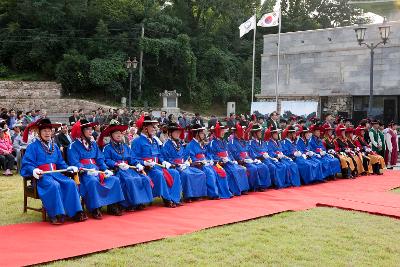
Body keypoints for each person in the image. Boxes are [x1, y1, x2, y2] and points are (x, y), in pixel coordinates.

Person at [20, 118, 86, 224]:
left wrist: (69, 167)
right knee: (54, 185)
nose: (47, 133)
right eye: (44, 131)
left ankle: (75, 212)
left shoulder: (54, 146)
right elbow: (27, 163)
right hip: (42, 177)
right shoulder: (32, 147)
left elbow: (60, 163)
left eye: (49, 131)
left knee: (71, 183)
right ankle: (56, 214)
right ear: (39, 132)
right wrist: (34, 170)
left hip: (56, 174)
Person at [68, 119, 125, 219]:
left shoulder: (93, 144)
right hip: (84, 174)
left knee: (114, 179)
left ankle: (112, 206)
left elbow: (99, 158)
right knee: (93, 181)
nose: (91, 131)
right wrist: (86, 170)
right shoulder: (73, 146)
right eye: (88, 129)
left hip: (97, 171)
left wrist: (105, 169)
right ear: (81, 131)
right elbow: (74, 162)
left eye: (91, 129)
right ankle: (95, 208)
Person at [100, 122, 153, 211]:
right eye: (116, 133)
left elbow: (132, 157)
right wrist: (117, 164)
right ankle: (129, 204)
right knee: (129, 180)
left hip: (129, 169)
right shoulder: (107, 148)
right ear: (111, 135)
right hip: (118, 170)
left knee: (143, 178)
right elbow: (106, 160)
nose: (119, 135)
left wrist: (137, 164)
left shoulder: (125, 146)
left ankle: (139, 202)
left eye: (120, 133)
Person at [131, 115, 182, 207]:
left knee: (175, 173)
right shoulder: (137, 141)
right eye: (152, 126)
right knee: (159, 175)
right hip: (147, 169)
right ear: (144, 128)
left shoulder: (154, 141)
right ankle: (167, 199)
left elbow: (159, 155)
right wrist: (144, 163)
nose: (154, 128)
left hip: (158, 166)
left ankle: (175, 198)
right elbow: (134, 158)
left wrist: (163, 161)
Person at [162, 122, 207, 202]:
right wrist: (176, 164)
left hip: (183, 165)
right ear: (170, 133)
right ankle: (188, 196)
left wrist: (186, 162)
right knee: (187, 174)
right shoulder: (166, 145)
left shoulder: (180, 144)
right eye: (176, 132)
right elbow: (165, 158)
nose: (178, 134)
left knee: (200, 173)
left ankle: (196, 195)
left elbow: (185, 156)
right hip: (175, 166)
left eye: (178, 132)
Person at [188, 122, 232, 199]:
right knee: (210, 173)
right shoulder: (190, 145)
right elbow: (191, 157)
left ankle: (225, 192)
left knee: (221, 170)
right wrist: (200, 161)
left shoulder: (201, 144)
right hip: (199, 165)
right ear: (196, 134)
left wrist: (210, 159)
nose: (203, 135)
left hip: (207, 163)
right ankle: (213, 194)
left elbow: (207, 154)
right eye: (201, 133)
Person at [208, 123, 249, 196]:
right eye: (221, 131)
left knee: (240, 169)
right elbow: (211, 155)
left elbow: (228, 153)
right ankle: (235, 190)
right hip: (221, 163)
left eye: (223, 130)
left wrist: (233, 160)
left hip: (228, 161)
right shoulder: (212, 143)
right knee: (231, 171)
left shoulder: (224, 141)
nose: (223, 132)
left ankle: (242, 189)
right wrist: (220, 159)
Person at [228, 123, 271, 191]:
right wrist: (243, 159)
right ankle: (254, 187)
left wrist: (254, 158)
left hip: (249, 159)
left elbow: (249, 151)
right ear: (236, 132)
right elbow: (235, 154)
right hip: (242, 161)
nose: (243, 132)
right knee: (253, 168)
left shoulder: (243, 141)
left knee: (263, 166)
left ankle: (264, 185)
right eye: (241, 131)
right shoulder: (232, 142)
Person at [248, 124, 288, 189]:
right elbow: (252, 153)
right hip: (260, 160)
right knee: (271, 166)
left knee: (281, 165)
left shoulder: (262, 142)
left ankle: (280, 183)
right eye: (259, 132)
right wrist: (261, 156)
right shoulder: (251, 143)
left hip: (268, 159)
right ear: (255, 133)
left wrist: (272, 157)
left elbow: (266, 151)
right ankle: (267, 185)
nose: (261, 133)